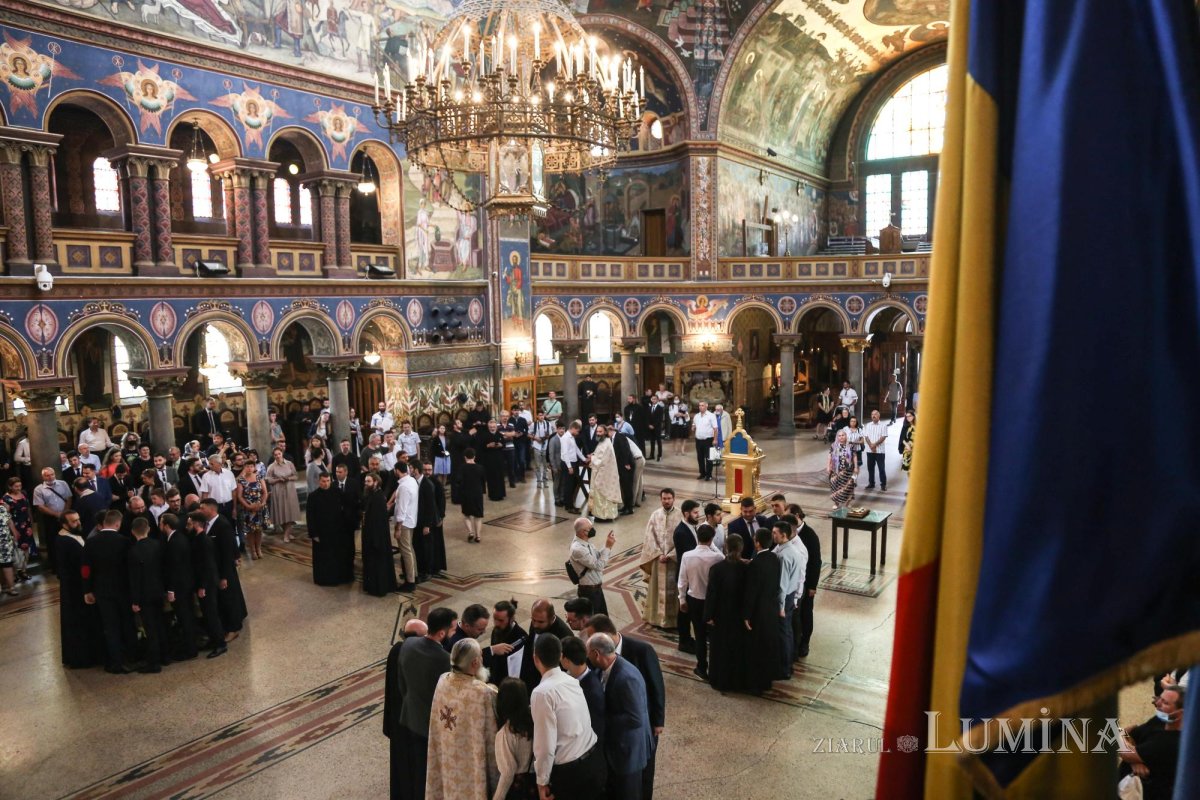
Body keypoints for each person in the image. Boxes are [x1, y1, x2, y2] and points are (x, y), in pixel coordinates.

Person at [581, 615, 665, 799]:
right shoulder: (606, 666)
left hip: (631, 746)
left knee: (633, 789)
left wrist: (604, 719)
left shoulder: (629, 673)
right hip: (619, 745)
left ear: (598, 652)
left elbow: (639, 712)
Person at [529, 634, 606, 800]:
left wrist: (542, 782)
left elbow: (545, 745)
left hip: (571, 774)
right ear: (560, 656)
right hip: (594, 761)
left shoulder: (542, 693)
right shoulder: (572, 680)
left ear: (535, 658)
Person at [426, 639, 499, 799]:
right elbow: (491, 736)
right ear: (475, 662)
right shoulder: (482, 693)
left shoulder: (442, 680)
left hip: (447, 759)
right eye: (481, 655)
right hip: (471, 766)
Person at [396, 608, 456, 800]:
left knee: (415, 768)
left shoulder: (409, 644)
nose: (455, 632)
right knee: (429, 774)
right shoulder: (445, 660)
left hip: (410, 716)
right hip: (430, 727)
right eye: (453, 629)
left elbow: (401, 682)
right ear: (442, 633)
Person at [82, 509, 133, 673]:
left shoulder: (90, 542)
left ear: (103, 523)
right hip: (123, 590)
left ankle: (115, 662)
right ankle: (131, 657)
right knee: (127, 623)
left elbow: (85, 569)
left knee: (110, 627)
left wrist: (87, 590)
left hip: (102, 590)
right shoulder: (125, 541)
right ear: (118, 524)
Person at [385, 618, 428, 800]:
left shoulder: (396, 650)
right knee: (415, 771)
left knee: (400, 768)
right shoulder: (417, 657)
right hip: (412, 726)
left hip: (397, 720)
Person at [1119, 684, 1184, 800]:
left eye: (1165, 703)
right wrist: (1134, 761)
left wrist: (1119, 735)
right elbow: (1130, 733)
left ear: (1181, 713)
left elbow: (1125, 751)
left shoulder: (1172, 742)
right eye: (1160, 699)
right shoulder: (1161, 720)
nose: (1157, 704)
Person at [677, 523, 723, 681]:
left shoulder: (687, 556)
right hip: (712, 602)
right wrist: (713, 546)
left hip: (694, 600)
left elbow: (682, 580)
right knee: (715, 635)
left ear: (697, 537)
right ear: (711, 539)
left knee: (699, 634)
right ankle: (716, 668)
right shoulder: (717, 557)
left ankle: (701, 667)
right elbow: (723, 558)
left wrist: (682, 599)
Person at [55, 510, 99, 667]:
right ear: (64, 524)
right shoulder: (64, 541)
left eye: (78, 519)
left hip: (79, 585)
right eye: (74, 521)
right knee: (77, 624)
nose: (78, 523)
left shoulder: (74, 535)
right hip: (74, 589)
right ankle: (81, 658)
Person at [704, 532, 747, 692]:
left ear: (726, 547)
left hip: (720, 616)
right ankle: (736, 682)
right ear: (741, 549)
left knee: (720, 649)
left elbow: (711, 594)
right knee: (737, 648)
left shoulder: (717, 569)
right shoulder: (746, 569)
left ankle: (719, 681)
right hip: (739, 616)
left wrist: (708, 615)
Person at [199, 499, 246, 641]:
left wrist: (224, 576)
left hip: (225, 570)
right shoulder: (207, 524)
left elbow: (227, 553)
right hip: (216, 568)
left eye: (202, 508)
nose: (200, 511)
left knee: (229, 599)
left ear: (211, 509)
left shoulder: (222, 525)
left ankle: (233, 629)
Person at [742, 529, 782, 695]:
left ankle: (755, 685)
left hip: (758, 611)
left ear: (757, 543)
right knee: (767, 646)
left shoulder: (755, 564)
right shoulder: (774, 558)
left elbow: (751, 592)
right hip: (771, 608)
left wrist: (746, 615)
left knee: (756, 648)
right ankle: (767, 681)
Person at [127, 517, 167, 673]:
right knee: (161, 623)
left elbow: (135, 579)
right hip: (159, 591)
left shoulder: (133, 552)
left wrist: (135, 601)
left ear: (132, 532)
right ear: (149, 529)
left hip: (144, 595)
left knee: (150, 629)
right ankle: (165, 656)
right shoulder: (158, 545)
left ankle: (154, 663)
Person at [186, 511, 227, 658]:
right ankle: (214, 639)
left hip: (207, 584)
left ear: (196, 524)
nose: (187, 526)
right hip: (203, 583)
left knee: (211, 614)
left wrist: (203, 586)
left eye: (189, 523)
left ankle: (220, 644)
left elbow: (208, 565)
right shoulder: (197, 539)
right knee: (207, 614)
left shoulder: (204, 541)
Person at [639, 489, 680, 631]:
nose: (666, 501)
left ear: (674, 499)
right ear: (660, 499)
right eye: (664, 498)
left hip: (674, 560)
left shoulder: (680, 515)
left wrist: (671, 554)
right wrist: (659, 553)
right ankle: (656, 618)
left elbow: (683, 538)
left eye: (669, 498)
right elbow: (649, 537)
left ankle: (673, 620)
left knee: (675, 590)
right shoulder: (655, 515)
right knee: (657, 589)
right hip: (658, 560)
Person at [160, 512, 198, 661]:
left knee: (184, 617)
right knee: (187, 615)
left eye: (161, 523)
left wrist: (171, 590)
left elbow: (174, 568)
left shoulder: (174, 543)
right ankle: (191, 645)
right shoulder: (181, 538)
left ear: (166, 526)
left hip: (179, 587)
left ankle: (190, 649)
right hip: (187, 583)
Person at [771, 519, 807, 676]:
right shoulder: (786, 548)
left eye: (775, 533)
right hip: (790, 596)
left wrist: (780, 607)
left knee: (783, 632)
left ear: (784, 535)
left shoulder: (785, 556)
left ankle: (784, 668)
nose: (772, 535)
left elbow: (782, 584)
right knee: (787, 630)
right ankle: (788, 662)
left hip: (785, 598)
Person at [494, 677, 538, 800]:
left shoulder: (505, 734)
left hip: (517, 789)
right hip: (535, 785)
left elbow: (508, 772)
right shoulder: (535, 722)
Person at [789, 506, 821, 659]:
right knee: (796, 616)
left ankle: (805, 642)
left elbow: (816, 562)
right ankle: (795, 642)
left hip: (806, 583)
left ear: (796, 516)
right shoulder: (789, 533)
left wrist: (812, 586)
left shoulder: (810, 535)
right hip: (794, 584)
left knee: (806, 614)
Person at [671, 499, 702, 653]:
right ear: (686, 513)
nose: (698, 515)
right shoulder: (681, 532)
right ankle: (684, 641)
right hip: (686, 576)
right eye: (695, 513)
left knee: (689, 609)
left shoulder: (692, 527)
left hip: (692, 575)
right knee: (684, 610)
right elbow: (688, 557)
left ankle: (689, 638)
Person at [361, 472, 399, 597]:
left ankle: (378, 588)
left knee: (377, 563)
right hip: (371, 534)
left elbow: (378, 521)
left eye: (368, 481)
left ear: (376, 482)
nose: (366, 484)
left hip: (376, 537)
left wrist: (375, 540)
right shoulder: (371, 494)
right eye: (365, 481)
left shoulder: (378, 498)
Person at [569, 519, 615, 616]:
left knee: (603, 618)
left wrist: (607, 545)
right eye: (590, 528)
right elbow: (598, 565)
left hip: (596, 589)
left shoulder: (586, 543)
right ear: (583, 532)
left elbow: (598, 557)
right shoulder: (578, 549)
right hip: (588, 592)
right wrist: (608, 547)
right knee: (593, 620)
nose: (593, 530)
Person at [307, 472, 345, 586]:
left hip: (335, 531)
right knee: (322, 557)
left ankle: (335, 578)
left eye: (328, 481)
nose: (326, 483)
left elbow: (342, 511)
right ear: (319, 481)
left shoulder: (337, 492)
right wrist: (314, 534)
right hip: (320, 533)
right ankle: (322, 579)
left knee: (335, 556)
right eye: (323, 481)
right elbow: (310, 517)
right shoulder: (313, 496)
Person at [234, 462, 270, 560]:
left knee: (259, 529)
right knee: (250, 531)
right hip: (248, 508)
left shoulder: (259, 477)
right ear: (244, 467)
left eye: (251, 466)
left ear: (254, 467)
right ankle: (253, 551)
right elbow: (239, 496)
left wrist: (262, 503)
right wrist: (248, 506)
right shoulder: (241, 480)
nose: (249, 468)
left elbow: (265, 492)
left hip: (260, 507)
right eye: (247, 466)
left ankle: (259, 549)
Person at [392, 460, 418, 592]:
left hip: (405, 523)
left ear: (397, 471)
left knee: (406, 552)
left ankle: (410, 582)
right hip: (411, 520)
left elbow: (401, 510)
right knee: (409, 549)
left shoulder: (403, 487)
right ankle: (414, 575)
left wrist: (398, 528)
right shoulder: (412, 481)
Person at [3, 477, 36, 583]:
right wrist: (13, 530)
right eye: (16, 486)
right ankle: (15, 573)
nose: (18, 488)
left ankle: (24, 571)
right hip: (15, 527)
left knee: (26, 548)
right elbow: (7, 516)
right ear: (10, 487)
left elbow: (28, 508)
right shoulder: (6, 498)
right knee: (16, 550)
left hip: (26, 526)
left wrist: (31, 522)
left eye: (20, 486)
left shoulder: (24, 494)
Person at [586, 425, 620, 522]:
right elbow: (598, 454)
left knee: (603, 496)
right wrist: (593, 455)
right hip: (601, 473)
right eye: (597, 432)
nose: (598, 433)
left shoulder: (607, 444)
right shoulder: (602, 442)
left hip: (604, 475)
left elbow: (602, 461)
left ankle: (605, 516)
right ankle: (599, 515)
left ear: (605, 432)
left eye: (600, 432)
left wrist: (591, 458)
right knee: (599, 496)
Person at [265, 447, 300, 542]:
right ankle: (287, 533)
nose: (277, 456)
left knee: (290, 512)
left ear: (282, 453)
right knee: (281, 513)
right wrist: (278, 479)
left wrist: (289, 478)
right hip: (278, 491)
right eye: (275, 454)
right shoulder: (271, 466)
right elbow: (268, 479)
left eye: (279, 454)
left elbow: (296, 476)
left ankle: (286, 535)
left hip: (290, 490)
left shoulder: (289, 464)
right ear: (273, 456)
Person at [457, 447, 486, 544]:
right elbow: (483, 481)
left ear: (465, 457)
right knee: (478, 516)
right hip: (477, 493)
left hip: (466, 493)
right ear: (474, 457)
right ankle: (478, 536)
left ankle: (471, 532)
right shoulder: (480, 468)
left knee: (467, 515)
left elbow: (458, 481)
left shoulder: (462, 468)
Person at [827, 429, 859, 510]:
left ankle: (847, 503)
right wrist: (828, 466)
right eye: (839, 436)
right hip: (836, 470)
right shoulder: (834, 445)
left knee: (849, 486)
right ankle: (836, 503)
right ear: (837, 437)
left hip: (848, 470)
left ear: (846, 436)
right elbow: (830, 456)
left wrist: (856, 467)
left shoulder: (851, 445)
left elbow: (854, 456)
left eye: (843, 435)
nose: (841, 437)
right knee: (835, 486)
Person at [558, 422, 585, 514]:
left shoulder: (572, 437)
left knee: (574, 483)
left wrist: (584, 459)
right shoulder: (565, 438)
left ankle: (569, 504)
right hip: (568, 464)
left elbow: (576, 449)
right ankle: (569, 506)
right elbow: (565, 453)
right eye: (577, 431)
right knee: (569, 485)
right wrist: (569, 467)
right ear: (573, 428)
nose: (578, 433)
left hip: (574, 462)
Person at [863, 409, 889, 491]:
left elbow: (883, 437)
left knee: (881, 468)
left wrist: (874, 445)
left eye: (875, 414)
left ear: (879, 415)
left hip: (880, 451)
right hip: (869, 450)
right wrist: (871, 445)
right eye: (872, 414)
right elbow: (866, 436)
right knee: (870, 468)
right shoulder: (868, 425)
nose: (873, 416)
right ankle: (871, 483)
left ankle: (883, 484)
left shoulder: (883, 425)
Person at [692, 401, 716, 480]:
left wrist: (715, 439)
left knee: (708, 458)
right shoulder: (696, 416)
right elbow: (694, 424)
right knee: (700, 457)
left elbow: (715, 428)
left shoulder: (711, 416)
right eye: (699, 405)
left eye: (702, 405)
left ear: (706, 406)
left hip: (708, 440)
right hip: (698, 440)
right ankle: (702, 473)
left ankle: (709, 475)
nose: (700, 407)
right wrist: (693, 427)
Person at [529, 411, 554, 489]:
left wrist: (546, 437)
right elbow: (528, 434)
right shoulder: (534, 424)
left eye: (542, 415)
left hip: (545, 446)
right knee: (537, 465)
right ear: (537, 416)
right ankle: (539, 481)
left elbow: (551, 434)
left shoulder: (548, 424)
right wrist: (535, 438)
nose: (541, 417)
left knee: (545, 465)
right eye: (540, 415)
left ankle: (545, 481)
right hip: (536, 446)